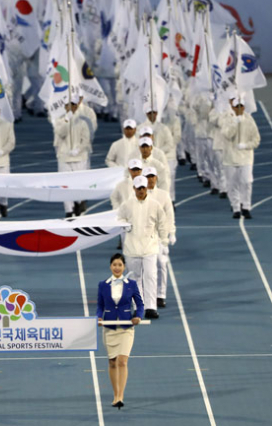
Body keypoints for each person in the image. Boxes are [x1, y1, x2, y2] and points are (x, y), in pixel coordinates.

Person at [117, 175, 168, 319]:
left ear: (147, 188)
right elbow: (119, 220)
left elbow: (162, 222)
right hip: (132, 248)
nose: (141, 191)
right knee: (134, 278)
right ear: (134, 188)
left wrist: (164, 241)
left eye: (143, 188)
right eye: (138, 188)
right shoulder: (126, 205)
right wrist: (125, 228)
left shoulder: (155, 204)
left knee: (150, 276)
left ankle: (151, 307)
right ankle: (139, 307)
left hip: (150, 247)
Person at [97, 253, 144, 409]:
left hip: (126, 327)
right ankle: (115, 393)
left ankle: (120, 396)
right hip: (109, 328)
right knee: (112, 362)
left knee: (122, 361)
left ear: (124, 267)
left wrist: (138, 316)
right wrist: (98, 318)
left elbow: (140, 304)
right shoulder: (103, 285)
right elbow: (100, 306)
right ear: (110, 266)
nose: (117, 267)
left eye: (120, 265)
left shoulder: (131, 284)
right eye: (114, 265)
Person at [220, 94, 261, 219]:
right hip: (230, 158)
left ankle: (246, 206)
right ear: (232, 107)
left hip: (246, 157)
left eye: (241, 106)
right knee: (232, 184)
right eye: (237, 106)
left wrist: (246, 145)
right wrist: (235, 123)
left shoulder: (249, 120)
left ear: (244, 107)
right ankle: (236, 207)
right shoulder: (226, 119)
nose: (239, 109)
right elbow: (226, 134)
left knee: (246, 182)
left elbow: (256, 139)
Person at [52, 96, 92, 217]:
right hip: (64, 157)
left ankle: (79, 205)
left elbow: (86, 140)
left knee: (79, 184)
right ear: (65, 107)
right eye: (69, 105)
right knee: (65, 185)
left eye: (74, 105)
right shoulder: (59, 121)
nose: (72, 107)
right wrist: (67, 120)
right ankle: (68, 210)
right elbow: (61, 133)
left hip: (79, 158)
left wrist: (78, 150)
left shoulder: (83, 122)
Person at [144, 167, 176, 308]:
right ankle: (146, 294)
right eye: (148, 176)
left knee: (161, 264)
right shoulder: (138, 195)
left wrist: (171, 233)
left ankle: (160, 295)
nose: (150, 179)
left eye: (153, 176)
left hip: (160, 235)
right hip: (144, 236)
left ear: (156, 178)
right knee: (144, 266)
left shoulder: (164, 195)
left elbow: (170, 215)